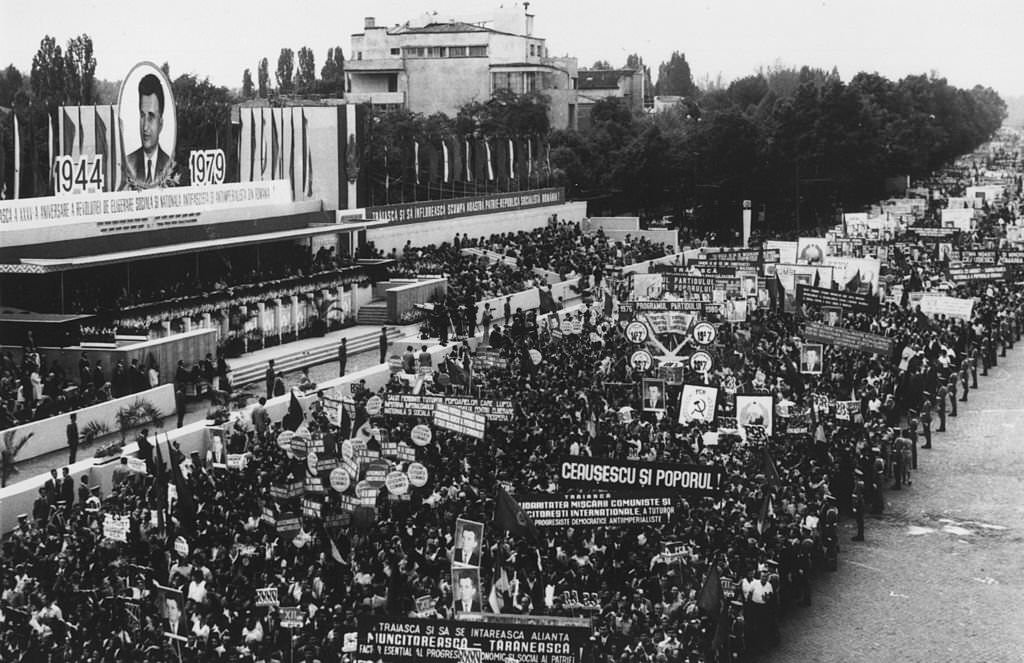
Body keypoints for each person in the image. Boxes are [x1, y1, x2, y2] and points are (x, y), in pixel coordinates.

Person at [125, 73, 171, 188]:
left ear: (161, 123)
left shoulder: (170, 165)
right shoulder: (129, 163)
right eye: (142, 115)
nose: (145, 127)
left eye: (151, 116)